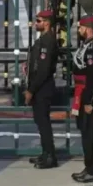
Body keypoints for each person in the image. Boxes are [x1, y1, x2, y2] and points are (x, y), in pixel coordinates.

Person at [25, 10, 59, 169]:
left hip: (42, 88)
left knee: (44, 123)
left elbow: (44, 70)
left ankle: (50, 156)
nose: (36, 23)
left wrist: (31, 90)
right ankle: (45, 153)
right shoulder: (43, 39)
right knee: (40, 121)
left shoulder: (48, 41)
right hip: (39, 86)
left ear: (47, 23)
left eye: (39, 21)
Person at [72, 16, 93, 183]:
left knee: (91, 134)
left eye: (81, 27)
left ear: (88, 28)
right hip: (81, 92)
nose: (79, 30)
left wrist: (90, 101)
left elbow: (91, 76)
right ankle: (88, 166)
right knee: (84, 132)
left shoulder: (92, 48)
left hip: (89, 93)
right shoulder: (85, 46)